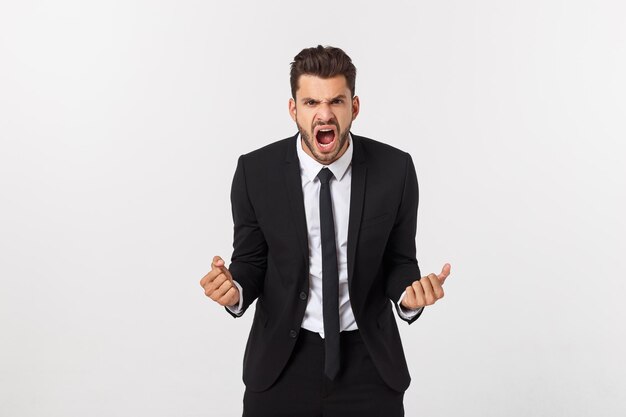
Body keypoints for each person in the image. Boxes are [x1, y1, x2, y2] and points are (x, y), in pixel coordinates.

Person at [200, 45, 452, 417]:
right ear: (293, 110)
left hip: (369, 363)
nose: (325, 114)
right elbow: (252, 262)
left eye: (336, 101)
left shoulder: (395, 170)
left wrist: (408, 297)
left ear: (355, 107)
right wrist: (232, 289)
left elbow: (399, 260)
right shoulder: (256, 172)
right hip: (281, 365)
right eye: (311, 103)